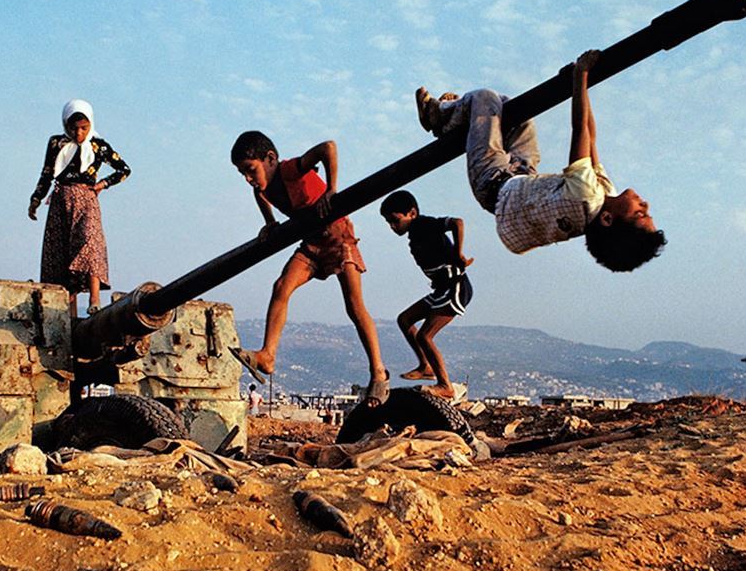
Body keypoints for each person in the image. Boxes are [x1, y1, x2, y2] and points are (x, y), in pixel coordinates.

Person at [415, 49, 666, 271]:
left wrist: (580, 76)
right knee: (515, 113)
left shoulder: (587, 195)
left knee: (486, 98)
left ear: (608, 219)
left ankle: (438, 114)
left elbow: (580, 129)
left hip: (492, 181)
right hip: (522, 175)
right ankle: (455, 118)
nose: (645, 205)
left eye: (640, 214)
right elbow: (592, 139)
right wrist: (580, 84)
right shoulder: (603, 194)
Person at [227, 131, 390, 407]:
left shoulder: (290, 169)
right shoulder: (263, 186)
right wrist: (270, 222)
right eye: (242, 173)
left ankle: (378, 372)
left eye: (250, 170)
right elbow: (260, 193)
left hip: (338, 238)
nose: (248, 178)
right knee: (281, 287)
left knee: (354, 305)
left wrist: (331, 189)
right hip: (312, 244)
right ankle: (267, 355)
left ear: (270, 159)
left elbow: (328, 147)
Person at [29, 99, 131, 315]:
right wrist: (36, 199)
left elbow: (124, 169)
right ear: (66, 125)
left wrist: (103, 185)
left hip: (87, 199)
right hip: (61, 200)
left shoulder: (98, 145)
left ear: (90, 125)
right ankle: (70, 312)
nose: (79, 133)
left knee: (90, 243)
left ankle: (95, 301)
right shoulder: (57, 144)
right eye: (74, 128)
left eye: (84, 128)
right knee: (62, 253)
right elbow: (47, 173)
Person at [380, 190, 472, 400]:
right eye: (389, 223)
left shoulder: (423, 224)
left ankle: (445, 386)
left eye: (395, 220)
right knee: (405, 319)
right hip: (441, 289)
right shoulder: (415, 233)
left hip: (454, 287)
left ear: (411, 213)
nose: (393, 227)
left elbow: (457, 222)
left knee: (425, 335)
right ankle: (426, 365)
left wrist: (458, 253)